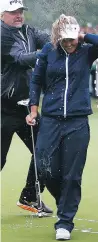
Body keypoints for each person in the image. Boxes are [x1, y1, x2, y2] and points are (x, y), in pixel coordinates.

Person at [26, 14, 98, 240]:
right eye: (64, 39)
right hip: (50, 120)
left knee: (72, 175)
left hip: (77, 122)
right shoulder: (48, 50)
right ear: (57, 36)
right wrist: (34, 110)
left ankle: (64, 221)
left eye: (72, 38)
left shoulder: (87, 51)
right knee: (44, 168)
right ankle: (64, 201)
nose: (69, 43)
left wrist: (84, 35)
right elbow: (36, 80)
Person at [1, 0, 53, 216]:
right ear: (2, 14)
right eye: (13, 12)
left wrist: (63, 39)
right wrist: (47, 53)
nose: (18, 15)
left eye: (21, 11)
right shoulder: (2, 35)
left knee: (45, 151)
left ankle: (30, 196)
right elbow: (20, 59)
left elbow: (48, 40)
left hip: (26, 108)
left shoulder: (28, 31)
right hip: (3, 108)